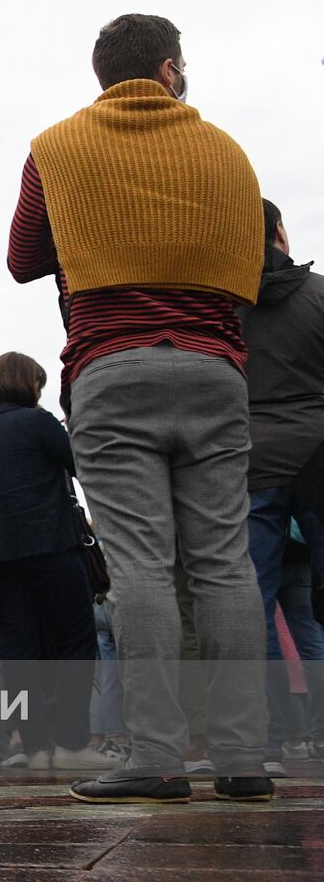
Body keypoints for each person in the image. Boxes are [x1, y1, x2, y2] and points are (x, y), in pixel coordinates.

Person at [9, 13, 271, 803]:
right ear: (168, 68)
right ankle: (242, 758)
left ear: (102, 75)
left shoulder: (56, 147)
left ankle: (157, 757)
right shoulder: (227, 151)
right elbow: (250, 263)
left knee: (142, 570)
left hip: (112, 368)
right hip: (215, 369)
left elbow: (23, 260)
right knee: (224, 564)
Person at [0, 352, 113, 770]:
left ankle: (35, 746)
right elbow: (83, 465)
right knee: (75, 644)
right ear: (29, 384)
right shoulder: (39, 422)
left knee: (20, 655)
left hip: (1, 564)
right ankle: (74, 743)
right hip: (55, 550)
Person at [240, 199, 324, 769]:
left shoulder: (225, 307)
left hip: (251, 461)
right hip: (320, 452)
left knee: (253, 602)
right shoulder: (320, 294)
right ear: (280, 232)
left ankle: (263, 739)